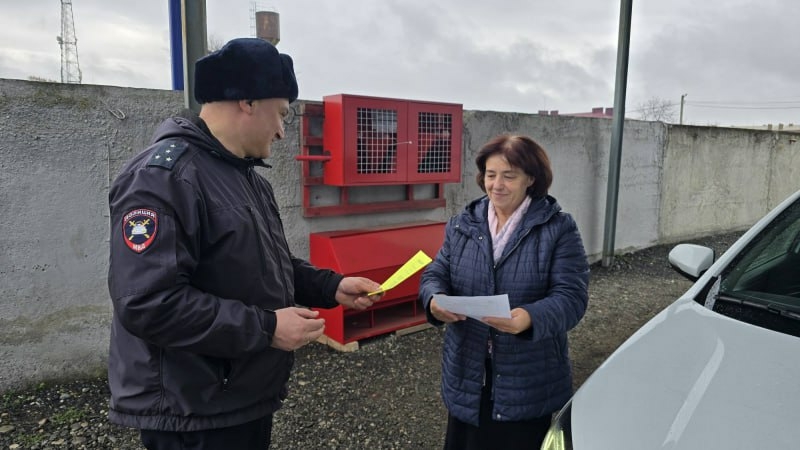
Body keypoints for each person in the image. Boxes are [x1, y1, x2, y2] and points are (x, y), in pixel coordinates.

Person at [106, 37, 383, 450]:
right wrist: (268, 327)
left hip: (235, 396)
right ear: (247, 102)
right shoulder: (164, 178)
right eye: (282, 113)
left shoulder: (245, 177)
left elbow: (264, 263)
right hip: (193, 414)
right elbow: (149, 302)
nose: (282, 129)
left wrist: (331, 287)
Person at [418, 134, 590, 449]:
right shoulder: (463, 224)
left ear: (531, 179)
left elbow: (572, 297)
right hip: (468, 370)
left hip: (526, 378)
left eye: (509, 176)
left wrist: (529, 318)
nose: (497, 184)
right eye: (491, 174)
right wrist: (433, 300)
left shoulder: (558, 228)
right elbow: (436, 272)